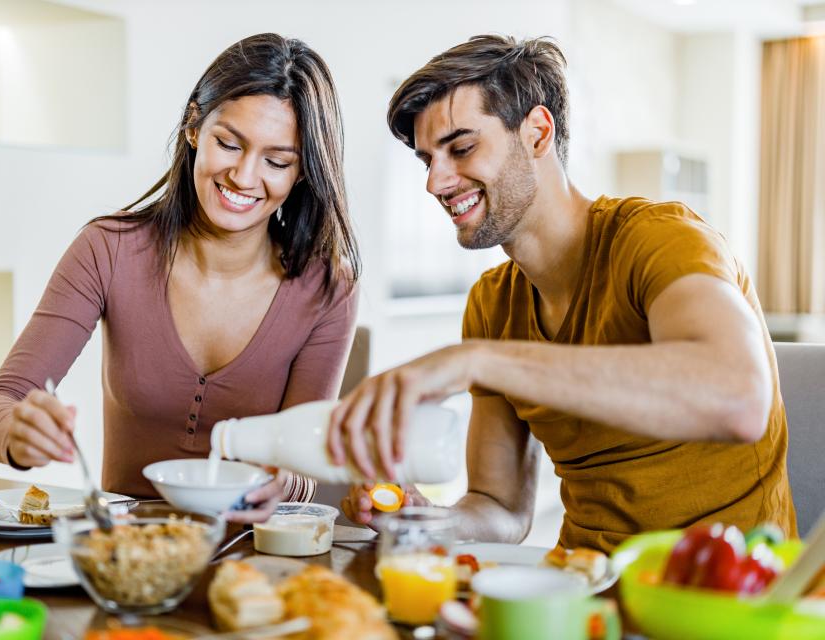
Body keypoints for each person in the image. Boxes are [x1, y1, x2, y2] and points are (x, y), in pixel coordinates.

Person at [329, 35, 795, 553]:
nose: (435, 182)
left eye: (461, 148)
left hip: (725, 595)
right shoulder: (493, 302)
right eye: (427, 160)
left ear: (537, 132)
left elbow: (738, 398)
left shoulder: (660, 239)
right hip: (583, 590)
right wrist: (425, 518)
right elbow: (501, 508)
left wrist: (480, 360)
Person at [0, 33, 360, 523]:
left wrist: (283, 479)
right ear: (195, 126)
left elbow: (305, 464)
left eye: (277, 161)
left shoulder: (327, 287)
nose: (243, 176)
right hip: (129, 553)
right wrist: (16, 433)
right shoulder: (107, 249)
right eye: (228, 143)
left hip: (252, 554)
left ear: (302, 172)